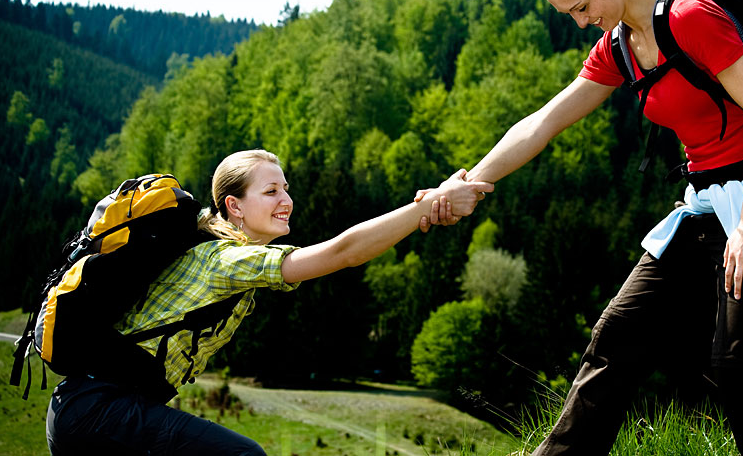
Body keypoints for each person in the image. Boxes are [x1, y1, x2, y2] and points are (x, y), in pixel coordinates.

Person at [422, 0, 743, 456]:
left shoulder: (690, 17)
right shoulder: (619, 47)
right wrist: (471, 182)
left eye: (581, 6)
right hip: (704, 206)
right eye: (568, 14)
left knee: (741, 363)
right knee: (617, 336)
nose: (579, 21)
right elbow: (542, 123)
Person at [45, 149, 493, 455]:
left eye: (286, 188)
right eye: (271, 191)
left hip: (90, 413)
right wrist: (425, 208)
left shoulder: (217, 252)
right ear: (234, 207)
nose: (287, 201)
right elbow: (342, 253)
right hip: (100, 411)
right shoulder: (225, 260)